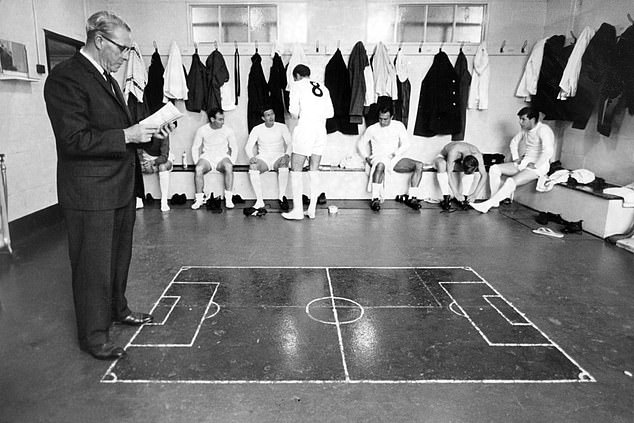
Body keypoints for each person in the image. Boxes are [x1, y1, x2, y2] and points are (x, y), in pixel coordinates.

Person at [43, 11, 172, 360]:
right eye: (123, 49)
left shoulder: (108, 79)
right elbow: (74, 140)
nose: (125, 56)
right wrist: (128, 134)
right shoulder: (65, 78)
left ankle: (118, 309)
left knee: (118, 258)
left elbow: (121, 132)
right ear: (99, 41)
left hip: (118, 187)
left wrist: (149, 135)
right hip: (89, 193)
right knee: (92, 265)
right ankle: (94, 336)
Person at [471, 107, 555, 213]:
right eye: (520, 119)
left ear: (532, 119)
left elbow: (548, 151)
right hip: (524, 163)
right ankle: (495, 201)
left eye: (523, 119)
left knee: (511, 181)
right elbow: (514, 143)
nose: (520, 122)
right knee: (494, 168)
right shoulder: (525, 130)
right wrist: (516, 158)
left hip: (538, 167)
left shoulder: (543, 130)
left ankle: (487, 205)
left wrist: (536, 165)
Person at [282, 64, 334, 220]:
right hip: (320, 130)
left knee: (296, 168)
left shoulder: (296, 85)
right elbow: (330, 113)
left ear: (297, 76)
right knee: (314, 170)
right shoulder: (323, 88)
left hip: (305, 129)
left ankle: (297, 210)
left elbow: (293, 112)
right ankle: (311, 209)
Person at [358, 105, 425, 211]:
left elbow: (406, 144)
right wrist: (367, 157)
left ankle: (413, 198)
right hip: (378, 157)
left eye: (385, 119)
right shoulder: (372, 128)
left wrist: (395, 153)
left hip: (394, 157)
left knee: (419, 165)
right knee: (380, 165)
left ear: (392, 117)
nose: (382, 122)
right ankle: (375, 198)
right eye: (380, 118)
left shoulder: (399, 126)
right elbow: (360, 144)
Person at [244, 106, 292, 211]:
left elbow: (290, 143)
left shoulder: (282, 127)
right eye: (268, 115)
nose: (271, 117)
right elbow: (248, 146)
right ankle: (259, 200)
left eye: (272, 114)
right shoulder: (257, 129)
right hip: (264, 158)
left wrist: (287, 155)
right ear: (263, 118)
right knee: (253, 166)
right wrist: (251, 157)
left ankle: (282, 197)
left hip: (278, 157)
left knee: (284, 164)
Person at [190, 108, 239, 210]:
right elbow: (195, 147)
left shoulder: (228, 130)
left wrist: (232, 162)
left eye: (223, 119)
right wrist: (197, 162)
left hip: (222, 157)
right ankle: (199, 199)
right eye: (220, 119)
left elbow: (234, 147)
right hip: (207, 157)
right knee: (198, 169)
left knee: (229, 166)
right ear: (212, 119)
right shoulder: (202, 130)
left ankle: (228, 198)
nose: (223, 121)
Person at [433, 141, 487, 211]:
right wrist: (456, 193)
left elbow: (484, 174)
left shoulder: (477, 155)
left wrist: (475, 194)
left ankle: (464, 198)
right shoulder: (454, 151)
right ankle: (446, 198)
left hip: (456, 162)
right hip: (444, 158)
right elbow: (449, 173)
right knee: (441, 164)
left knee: (470, 169)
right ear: (462, 162)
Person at [138, 136, 173, 211]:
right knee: (135, 166)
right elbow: (139, 153)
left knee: (162, 167)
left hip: (162, 157)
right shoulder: (143, 129)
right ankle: (138, 198)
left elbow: (164, 156)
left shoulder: (164, 132)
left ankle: (164, 200)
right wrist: (143, 163)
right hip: (147, 157)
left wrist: (152, 163)